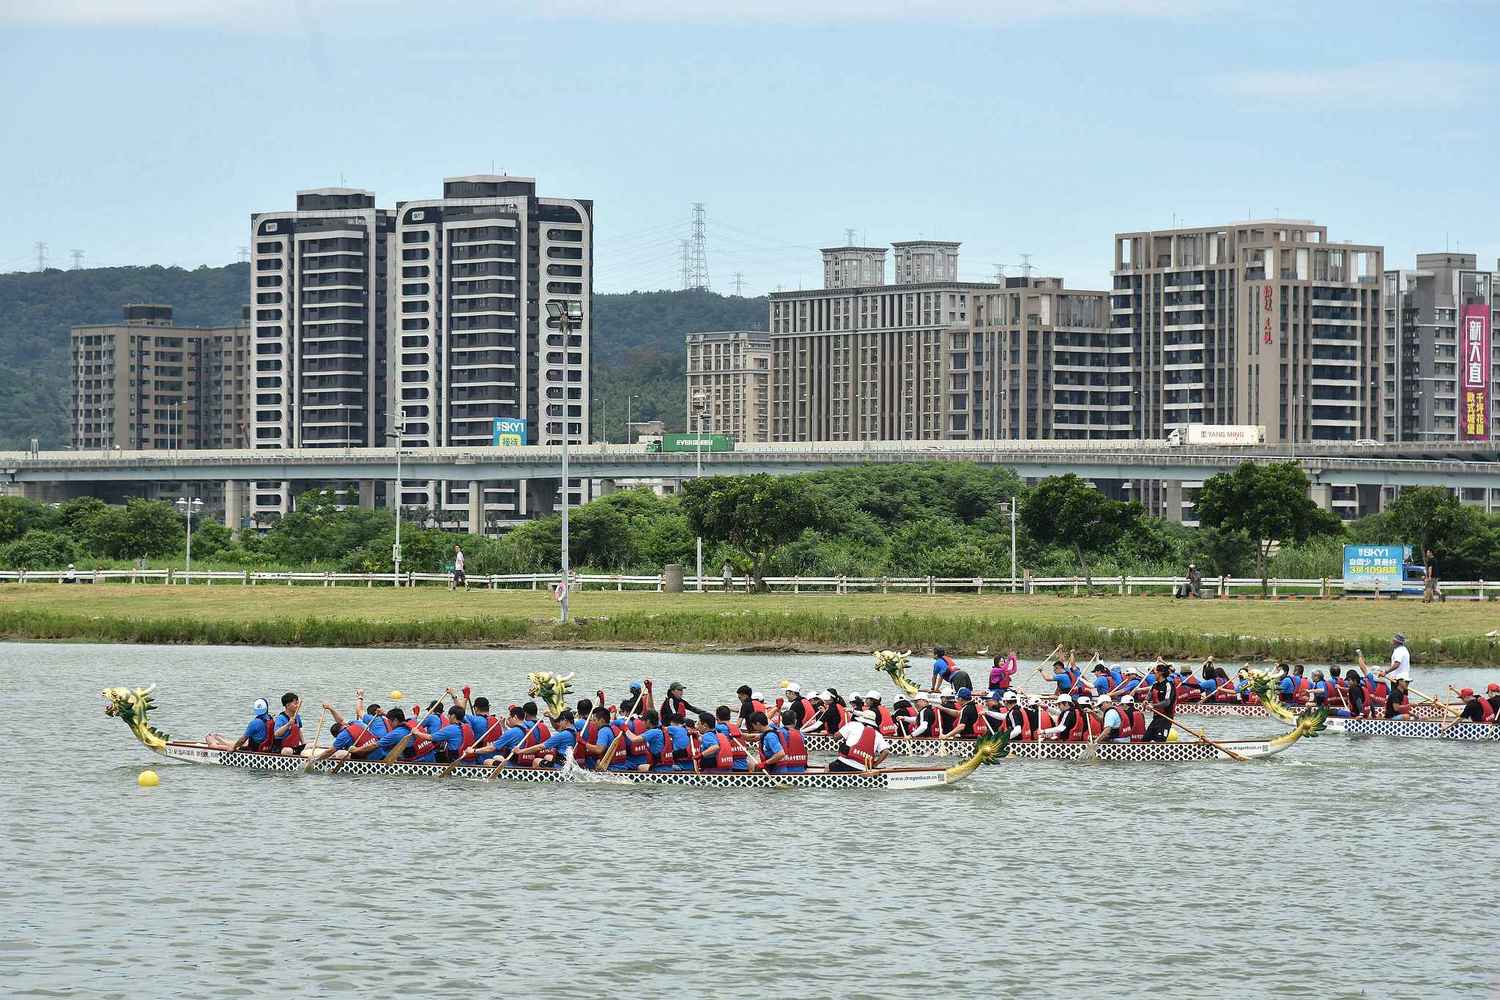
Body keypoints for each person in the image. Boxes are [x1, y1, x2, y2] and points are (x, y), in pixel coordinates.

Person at [513, 710, 578, 768]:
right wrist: (550, 717)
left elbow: (540, 747)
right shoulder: (574, 731)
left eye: (560, 721)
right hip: (568, 763)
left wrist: (520, 751)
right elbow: (557, 728)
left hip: (560, 766)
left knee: (536, 761)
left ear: (565, 721)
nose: (559, 724)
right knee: (547, 756)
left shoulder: (562, 735)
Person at [1144, 664, 1176, 742]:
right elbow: (1149, 695)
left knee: (1159, 740)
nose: (1153, 674)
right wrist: (1145, 700)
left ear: (1160, 673)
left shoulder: (1168, 685)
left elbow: (1167, 702)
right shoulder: (1155, 684)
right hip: (1156, 717)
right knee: (1145, 739)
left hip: (1166, 717)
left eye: (1155, 672)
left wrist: (1153, 705)